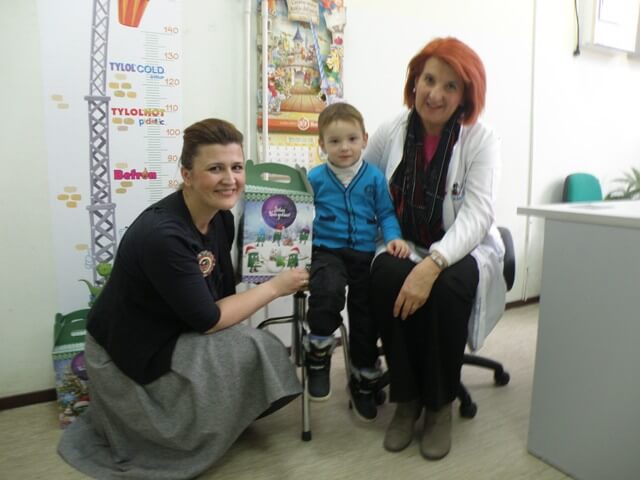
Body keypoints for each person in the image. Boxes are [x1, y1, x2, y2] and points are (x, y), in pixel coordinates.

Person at [58, 118, 309, 479]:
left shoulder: (221, 219)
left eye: (237, 167)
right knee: (249, 347)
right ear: (187, 175)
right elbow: (209, 320)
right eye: (215, 168)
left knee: (257, 346)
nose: (230, 179)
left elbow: (219, 293)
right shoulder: (163, 235)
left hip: (172, 328)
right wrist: (275, 286)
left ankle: (214, 418)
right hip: (126, 353)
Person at [365, 37, 506, 460]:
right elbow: (367, 185)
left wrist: (435, 263)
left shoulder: (481, 139)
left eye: (450, 86)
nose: (435, 94)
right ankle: (407, 400)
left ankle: (439, 405)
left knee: (449, 286)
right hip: (404, 241)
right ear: (415, 81)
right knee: (386, 276)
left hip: (461, 245)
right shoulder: (392, 130)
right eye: (429, 80)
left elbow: (477, 213)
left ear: (466, 95)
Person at [305, 102, 409, 422]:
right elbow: (301, 215)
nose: (344, 147)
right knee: (327, 291)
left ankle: (364, 376)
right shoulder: (315, 177)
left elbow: (386, 214)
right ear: (322, 144)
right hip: (327, 251)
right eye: (335, 141)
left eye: (352, 139)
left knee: (366, 315)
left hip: (363, 253)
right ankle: (318, 353)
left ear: (364, 139)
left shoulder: (374, 178)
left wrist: (393, 237)